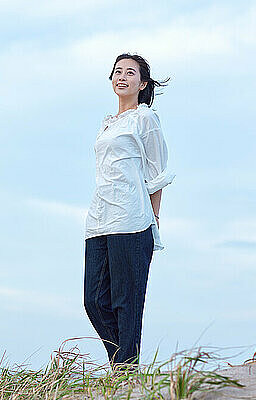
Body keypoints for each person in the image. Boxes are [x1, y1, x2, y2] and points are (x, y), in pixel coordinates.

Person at [83, 53, 175, 374]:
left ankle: (125, 373)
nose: (122, 76)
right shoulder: (107, 123)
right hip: (99, 220)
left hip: (132, 219)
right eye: (117, 72)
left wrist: (155, 218)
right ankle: (123, 364)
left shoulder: (144, 119)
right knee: (94, 300)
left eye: (130, 73)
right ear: (111, 80)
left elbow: (157, 172)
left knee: (127, 302)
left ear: (142, 83)